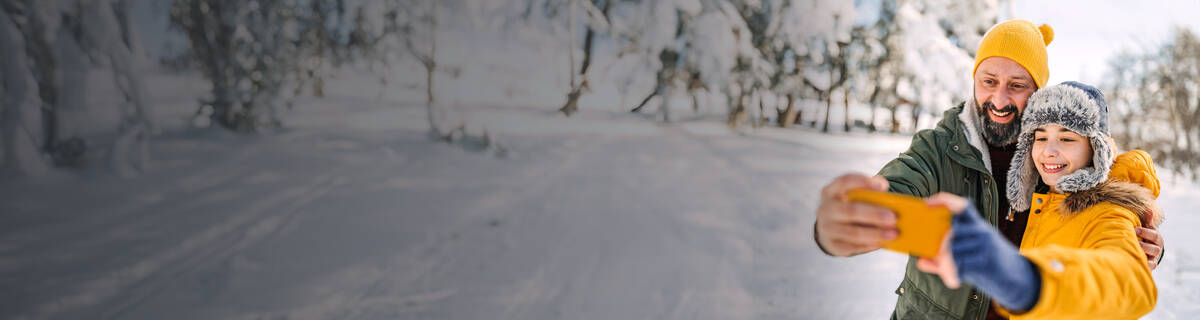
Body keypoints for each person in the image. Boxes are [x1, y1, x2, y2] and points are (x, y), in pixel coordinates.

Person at [811, 20, 1166, 319]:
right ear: (974, 81)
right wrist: (845, 222)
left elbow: (1114, 254)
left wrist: (1142, 247)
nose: (999, 101)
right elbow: (900, 184)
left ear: (1038, 92)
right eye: (988, 81)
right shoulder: (938, 148)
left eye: (1017, 86)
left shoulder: (1057, 167)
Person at [917, 82, 1160, 319]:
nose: (1048, 151)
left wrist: (1029, 279)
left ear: (1096, 149)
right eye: (1041, 138)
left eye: (1067, 139)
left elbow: (1129, 280)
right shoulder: (1042, 197)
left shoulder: (1109, 212)